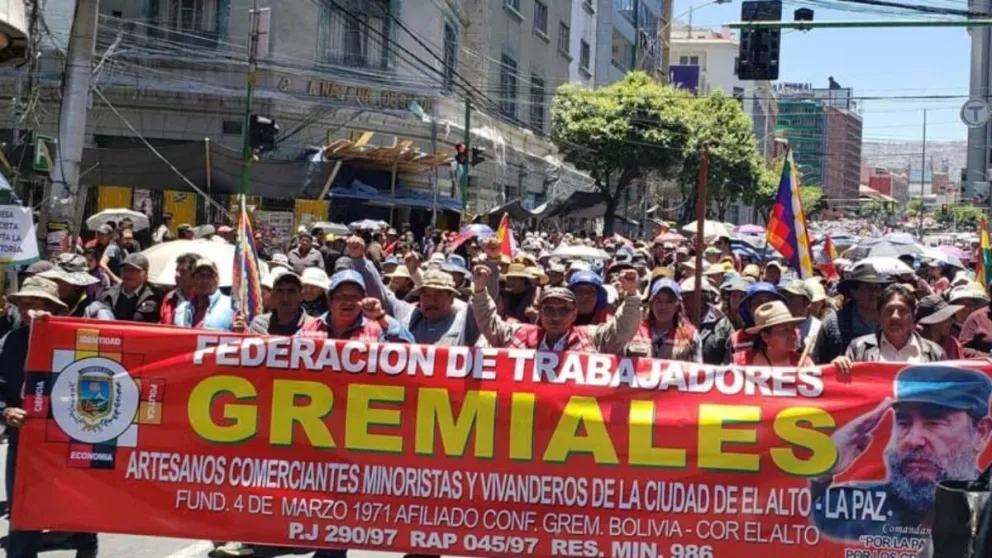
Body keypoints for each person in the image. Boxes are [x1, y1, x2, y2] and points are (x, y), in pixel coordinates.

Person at [810, 366, 992, 540]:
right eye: (904, 422)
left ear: (980, 433)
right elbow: (805, 525)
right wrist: (824, 469)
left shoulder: (986, 509)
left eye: (934, 422)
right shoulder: (868, 506)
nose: (913, 440)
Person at [1, 278, 99, 558]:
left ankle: (85, 546)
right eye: (23, 304)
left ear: (53, 309)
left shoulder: (78, 338)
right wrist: (5, 411)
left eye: (36, 304)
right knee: (23, 513)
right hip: (26, 442)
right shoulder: (10, 342)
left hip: (72, 440)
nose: (27, 310)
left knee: (77, 506)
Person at [471, 265, 640, 352]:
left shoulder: (592, 338)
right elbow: (489, 323)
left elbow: (621, 330)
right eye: (549, 310)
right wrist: (479, 290)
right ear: (540, 313)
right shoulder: (519, 335)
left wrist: (631, 294)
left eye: (564, 310)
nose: (556, 317)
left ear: (574, 314)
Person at [833, 284, 946, 375]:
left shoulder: (935, 353)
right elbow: (845, 391)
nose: (895, 316)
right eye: (889, 310)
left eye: (902, 311)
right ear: (879, 316)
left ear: (913, 317)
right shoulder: (858, 348)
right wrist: (836, 369)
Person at [820, 262, 893, 363]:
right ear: (853, 292)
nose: (875, 293)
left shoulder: (892, 321)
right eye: (869, 288)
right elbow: (818, 363)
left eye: (878, 288)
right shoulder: (833, 323)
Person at [628, 278, 701, 361]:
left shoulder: (690, 335)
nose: (663, 307)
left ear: (677, 306)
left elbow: (698, 370)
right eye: (658, 301)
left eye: (669, 302)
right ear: (651, 304)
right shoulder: (635, 331)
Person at [39, 253, 114, 320]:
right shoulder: (46, 304)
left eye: (60, 281)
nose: (55, 284)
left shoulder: (96, 313)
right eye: (53, 279)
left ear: (77, 285)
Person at [738, 301, 812, 366]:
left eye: (793, 328)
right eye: (784, 330)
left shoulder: (805, 365)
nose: (793, 335)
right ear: (765, 336)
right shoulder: (740, 364)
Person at [173, 258, 236, 331]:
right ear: (193, 280)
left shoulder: (232, 307)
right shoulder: (181, 310)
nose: (205, 281)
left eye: (210, 276)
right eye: (201, 276)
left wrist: (240, 331)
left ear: (217, 280)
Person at [97, 253, 162, 323]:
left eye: (133, 270)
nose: (127, 273)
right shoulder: (108, 295)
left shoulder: (156, 296)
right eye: (125, 269)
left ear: (145, 273)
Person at [249, 271, 318, 335]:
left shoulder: (313, 326)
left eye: (291, 291)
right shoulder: (259, 325)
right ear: (273, 295)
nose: (285, 297)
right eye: (280, 291)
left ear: (301, 296)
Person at [916, 295, 965, 360]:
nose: (951, 321)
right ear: (934, 322)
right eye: (946, 317)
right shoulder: (915, 343)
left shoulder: (952, 343)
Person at [160, 252, 198, 325]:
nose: (177, 274)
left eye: (183, 271)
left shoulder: (205, 300)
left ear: (195, 274)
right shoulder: (169, 298)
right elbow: (163, 323)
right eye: (177, 270)